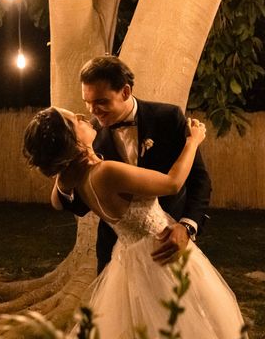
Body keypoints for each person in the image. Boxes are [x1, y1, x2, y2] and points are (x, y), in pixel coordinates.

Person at [23, 107, 247, 338]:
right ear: (70, 141)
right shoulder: (105, 172)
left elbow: (57, 202)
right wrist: (193, 141)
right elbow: (172, 183)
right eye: (74, 121)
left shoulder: (74, 178)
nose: (83, 116)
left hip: (130, 256)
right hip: (159, 252)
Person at [54, 56, 212, 273]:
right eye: (87, 102)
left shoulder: (168, 118)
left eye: (101, 101)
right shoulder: (89, 136)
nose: (92, 111)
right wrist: (63, 185)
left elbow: (199, 180)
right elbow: (80, 206)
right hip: (115, 257)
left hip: (169, 247)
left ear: (125, 92)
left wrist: (187, 226)